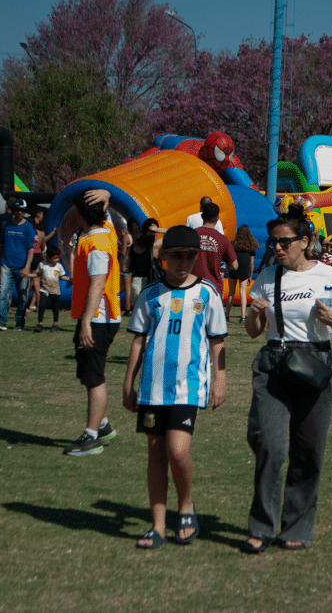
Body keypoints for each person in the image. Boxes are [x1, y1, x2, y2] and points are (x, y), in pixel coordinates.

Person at [242, 204, 332, 553]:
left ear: (305, 241)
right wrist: (253, 313)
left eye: (284, 242)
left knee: (309, 451)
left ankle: (296, 526)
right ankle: (261, 527)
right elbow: (252, 332)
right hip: (274, 361)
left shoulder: (328, 275)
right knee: (270, 446)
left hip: (316, 361)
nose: (276, 248)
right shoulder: (266, 277)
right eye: (273, 243)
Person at [122, 225, 228, 549]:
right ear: (164, 257)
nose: (183, 263)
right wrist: (129, 383)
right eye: (176, 256)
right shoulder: (150, 294)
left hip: (188, 387)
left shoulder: (207, 294)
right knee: (155, 454)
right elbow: (139, 340)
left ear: (197, 258)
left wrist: (220, 380)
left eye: (189, 257)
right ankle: (157, 526)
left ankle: (185, 505)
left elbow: (217, 341)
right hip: (153, 388)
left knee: (177, 451)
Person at [63, 193, 122, 456]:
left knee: (94, 377)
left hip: (98, 318)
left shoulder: (97, 242)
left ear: (81, 214)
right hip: (98, 317)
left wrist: (86, 322)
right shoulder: (105, 230)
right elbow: (105, 216)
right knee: (89, 374)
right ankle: (104, 426)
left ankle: (92, 436)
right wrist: (106, 196)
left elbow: (98, 283)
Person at [0, 198, 36, 331]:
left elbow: (31, 249)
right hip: (6, 264)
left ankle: (20, 322)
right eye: (17, 209)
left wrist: (26, 267)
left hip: (22, 266)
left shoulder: (28, 227)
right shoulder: (6, 224)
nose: (19, 212)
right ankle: (1, 321)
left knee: (22, 295)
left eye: (22, 210)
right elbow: (1, 245)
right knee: (3, 292)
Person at [191, 202, 238, 296]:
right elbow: (235, 265)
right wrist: (225, 268)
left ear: (202, 217)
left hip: (192, 286)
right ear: (217, 218)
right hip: (213, 288)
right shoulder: (223, 240)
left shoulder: (192, 235)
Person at [29, 245, 70, 332]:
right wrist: (28, 275)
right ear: (48, 258)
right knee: (42, 306)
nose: (57, 260)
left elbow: (62, 276)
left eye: (58, 258)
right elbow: (37, 274)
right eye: (55, 258)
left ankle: (55, 324)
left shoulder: (58, 266)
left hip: (55, 290)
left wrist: (70, 279)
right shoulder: (42, 265)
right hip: (44, 290)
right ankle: (40, 323)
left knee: (55, 307)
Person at [123, 218, 163, 307]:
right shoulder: (155, 247)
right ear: (155, 232)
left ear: (142, 229)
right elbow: (173, 232)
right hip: (151, 283)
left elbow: (124, 269)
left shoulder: (133, 247)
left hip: (136, 284)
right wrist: (157, 229)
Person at [225, 224, 259, 322]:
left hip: (234, 268)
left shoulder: (233, 244)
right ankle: (243, 317)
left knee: (231, 293)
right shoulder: (250, 246)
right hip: (245, 270)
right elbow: (252, 263)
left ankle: (227, 315)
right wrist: (250, 275)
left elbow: (229, 257)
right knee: (242, 293)